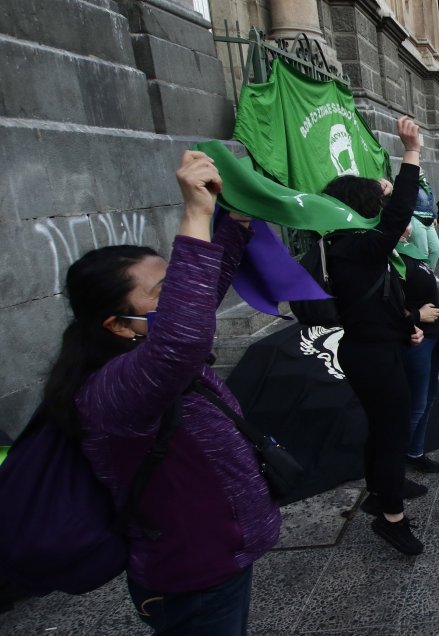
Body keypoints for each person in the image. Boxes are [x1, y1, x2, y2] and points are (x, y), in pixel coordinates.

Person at [44, 151, 280, 632]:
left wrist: (232, 217)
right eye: (161, 292)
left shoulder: (140, 355)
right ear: (117, 324)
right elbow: (183, 335)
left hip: (219, 560)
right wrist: (194, 214)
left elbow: (198, 295)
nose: (177, 298)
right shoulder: (115, 388)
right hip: (194, 576)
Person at [322, 116, 428, 555]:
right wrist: (411, 153)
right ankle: (391, 517)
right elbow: (400, 212)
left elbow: (379, 300)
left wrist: (408, 325)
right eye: (372, 198)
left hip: (374, 345)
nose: (380, 205)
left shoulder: (347, 243)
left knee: (384, 429)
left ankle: (383, 488)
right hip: (371, 354)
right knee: (391, 432)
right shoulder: (354, 244)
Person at [397, 226, 439, 474]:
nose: (410, 225)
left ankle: (415, 451)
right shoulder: (387, 256)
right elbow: (387, 303)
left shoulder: (409, 249)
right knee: (415, 404)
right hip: (415, 338)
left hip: (432, 335)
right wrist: (417, 316)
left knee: (428, 398)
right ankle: (393, 466)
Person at [409, 173, 439, 268]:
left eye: (422, 170)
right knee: (423, 252)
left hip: (429, 220)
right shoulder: (411, 186)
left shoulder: (426, 186)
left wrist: (434, 216)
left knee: (436, 249)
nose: (422, 172)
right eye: (419, 170)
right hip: (416, 218)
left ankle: (429, 274)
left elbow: (429, 203)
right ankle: (421, 277)